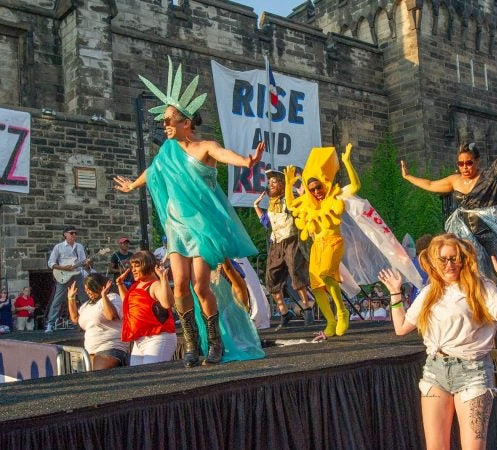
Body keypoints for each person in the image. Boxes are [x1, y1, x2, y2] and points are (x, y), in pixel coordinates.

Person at [114, 58, 264, 367]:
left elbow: (223, 154)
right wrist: (132, 186)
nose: (165, 125)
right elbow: (152, 171)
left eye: (170, 120)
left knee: (200, 285)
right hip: (176, 227)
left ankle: (215, 342)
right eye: (164, 121)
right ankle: (191, 342)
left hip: (201, 228)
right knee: (179, 285)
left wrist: (246, 162)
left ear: (186, 122)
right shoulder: (166, 153)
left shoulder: (203, 147)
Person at [400, 138, 497, 332]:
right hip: (466, 234)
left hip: (491, 231)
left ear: (477, 162)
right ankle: (475, 316)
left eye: (469, 162)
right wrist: (408, 176)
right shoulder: (454, 180)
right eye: (461, 164)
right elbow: (431, 183)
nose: (465, 167)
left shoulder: (490, 177)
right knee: (471, 272)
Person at [378, 234, 497, 450]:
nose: (449, 264)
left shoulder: (480, 287)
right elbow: (402, 328)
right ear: (434, 262)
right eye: (443, 259)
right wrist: (395, 294)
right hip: (436, 371)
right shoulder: (429, 293)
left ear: (463, 259)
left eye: (454, 258)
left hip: (473, 371)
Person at [284, 144, 359, 338]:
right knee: (317, 285)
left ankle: (342, 311)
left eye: (318, 187)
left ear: (324, 185)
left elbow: (356, 186)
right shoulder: (308, 205)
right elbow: (291, 204)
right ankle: (330, 321)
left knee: (326, 274)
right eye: (312, 189)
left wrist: (347, 163)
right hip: (317, 246)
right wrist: (288, 183)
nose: (317, 191)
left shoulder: (334, 196)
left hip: (333, 242)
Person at [253, 170, 314, 331]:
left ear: (282, 184)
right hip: (276, 243)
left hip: (291, 239)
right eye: (269, 183)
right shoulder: (271, 205)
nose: (270, 185)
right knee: (271, 278)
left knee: (295, 272)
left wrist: (303, 192)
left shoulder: (289, 199)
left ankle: (307, 308)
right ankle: (284, 313)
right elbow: (267, 223)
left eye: (274, 182)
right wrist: (256, 207)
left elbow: (304, 207)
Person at [117, 251, 177, 366]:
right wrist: (120, 285)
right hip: (140, 340)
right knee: (139, 378)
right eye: (132, 266)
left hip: (158, 338)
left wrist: (164, 279)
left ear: (148, 265)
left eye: (137, 266)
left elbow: (168, 303)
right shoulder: (136, 285)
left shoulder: (155, 285)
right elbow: (129, 304)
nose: (133, 270)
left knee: (152, 377)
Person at [67, 273, 130, 370]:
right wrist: (71, 298)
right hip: (90, 350)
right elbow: (75, 319)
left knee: (98, 374)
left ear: (99, 286)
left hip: (110, 347)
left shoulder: (113, 297)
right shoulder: (86, 305)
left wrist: (104, 296)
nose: (87, 292)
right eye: (86, 289)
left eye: (90, 288)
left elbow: (111, 316)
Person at [46, 225, 91, 332]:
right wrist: (63, 267)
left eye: (75, 233)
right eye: (71, 233)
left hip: (77, 274)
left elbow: (83, 262)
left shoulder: (79, 247)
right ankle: (50, 324)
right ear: (65, 234)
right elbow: (51, 263)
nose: (74, 235)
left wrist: (87, 263)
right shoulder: (58, 247)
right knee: (58, 299)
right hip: (63, 275)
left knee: (84, 297)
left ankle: (87, 321)